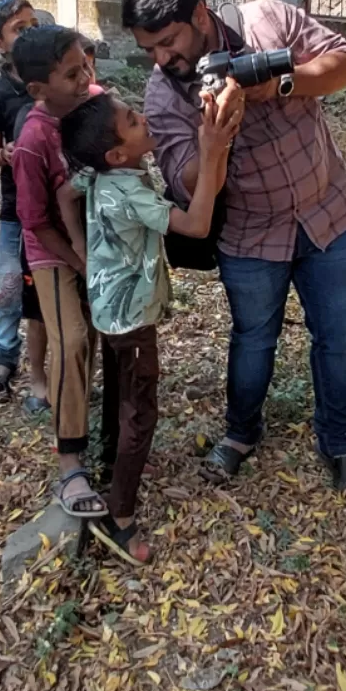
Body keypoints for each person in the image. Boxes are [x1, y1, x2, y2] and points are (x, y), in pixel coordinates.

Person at [121, 0, 346, 500]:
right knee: (253, 340)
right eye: (150, 50)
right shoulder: (164, 97)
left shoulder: (268, 22)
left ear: (200, 14)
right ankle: (240, 434)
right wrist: (215, 137)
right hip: (251, 238)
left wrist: (279, 84)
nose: (163, 59)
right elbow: (185, 184)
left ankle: (339, 442)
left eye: (168, 42)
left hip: (330, 214)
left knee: (339, 339)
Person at [60, 90, 237, 562]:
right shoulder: (132, 193)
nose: (145, 119)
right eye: (135, 120)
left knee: (120, 390)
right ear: (117, 153)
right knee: (142, 411)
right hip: (132, 318)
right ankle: (120, 518)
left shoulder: (97, 170)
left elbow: (65, 194)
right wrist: (213, 148)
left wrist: (81, 249)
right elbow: (197, 225)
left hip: (105, 306)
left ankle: (111, 457)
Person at [12, 25, 106, 518]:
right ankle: (70, 461)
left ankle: (102, 426)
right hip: (51, 251)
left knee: (95, 336)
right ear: (37, 90)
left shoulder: (95, 103)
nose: (85, 77)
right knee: (70, 339)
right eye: (72, 74)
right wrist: (79, 262)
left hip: (97, 241)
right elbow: (36, 223)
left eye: (85, 66)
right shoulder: (31, 142)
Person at [0, 0, 48, 410]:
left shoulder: (53, 80)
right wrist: (4, 155)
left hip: (52, 210)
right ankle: (6, 357)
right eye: (19, 29)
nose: (30, 33)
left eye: (34, 24)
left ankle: (54, 366)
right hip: (14, 211)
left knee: (44, 292)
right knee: (7, 288)